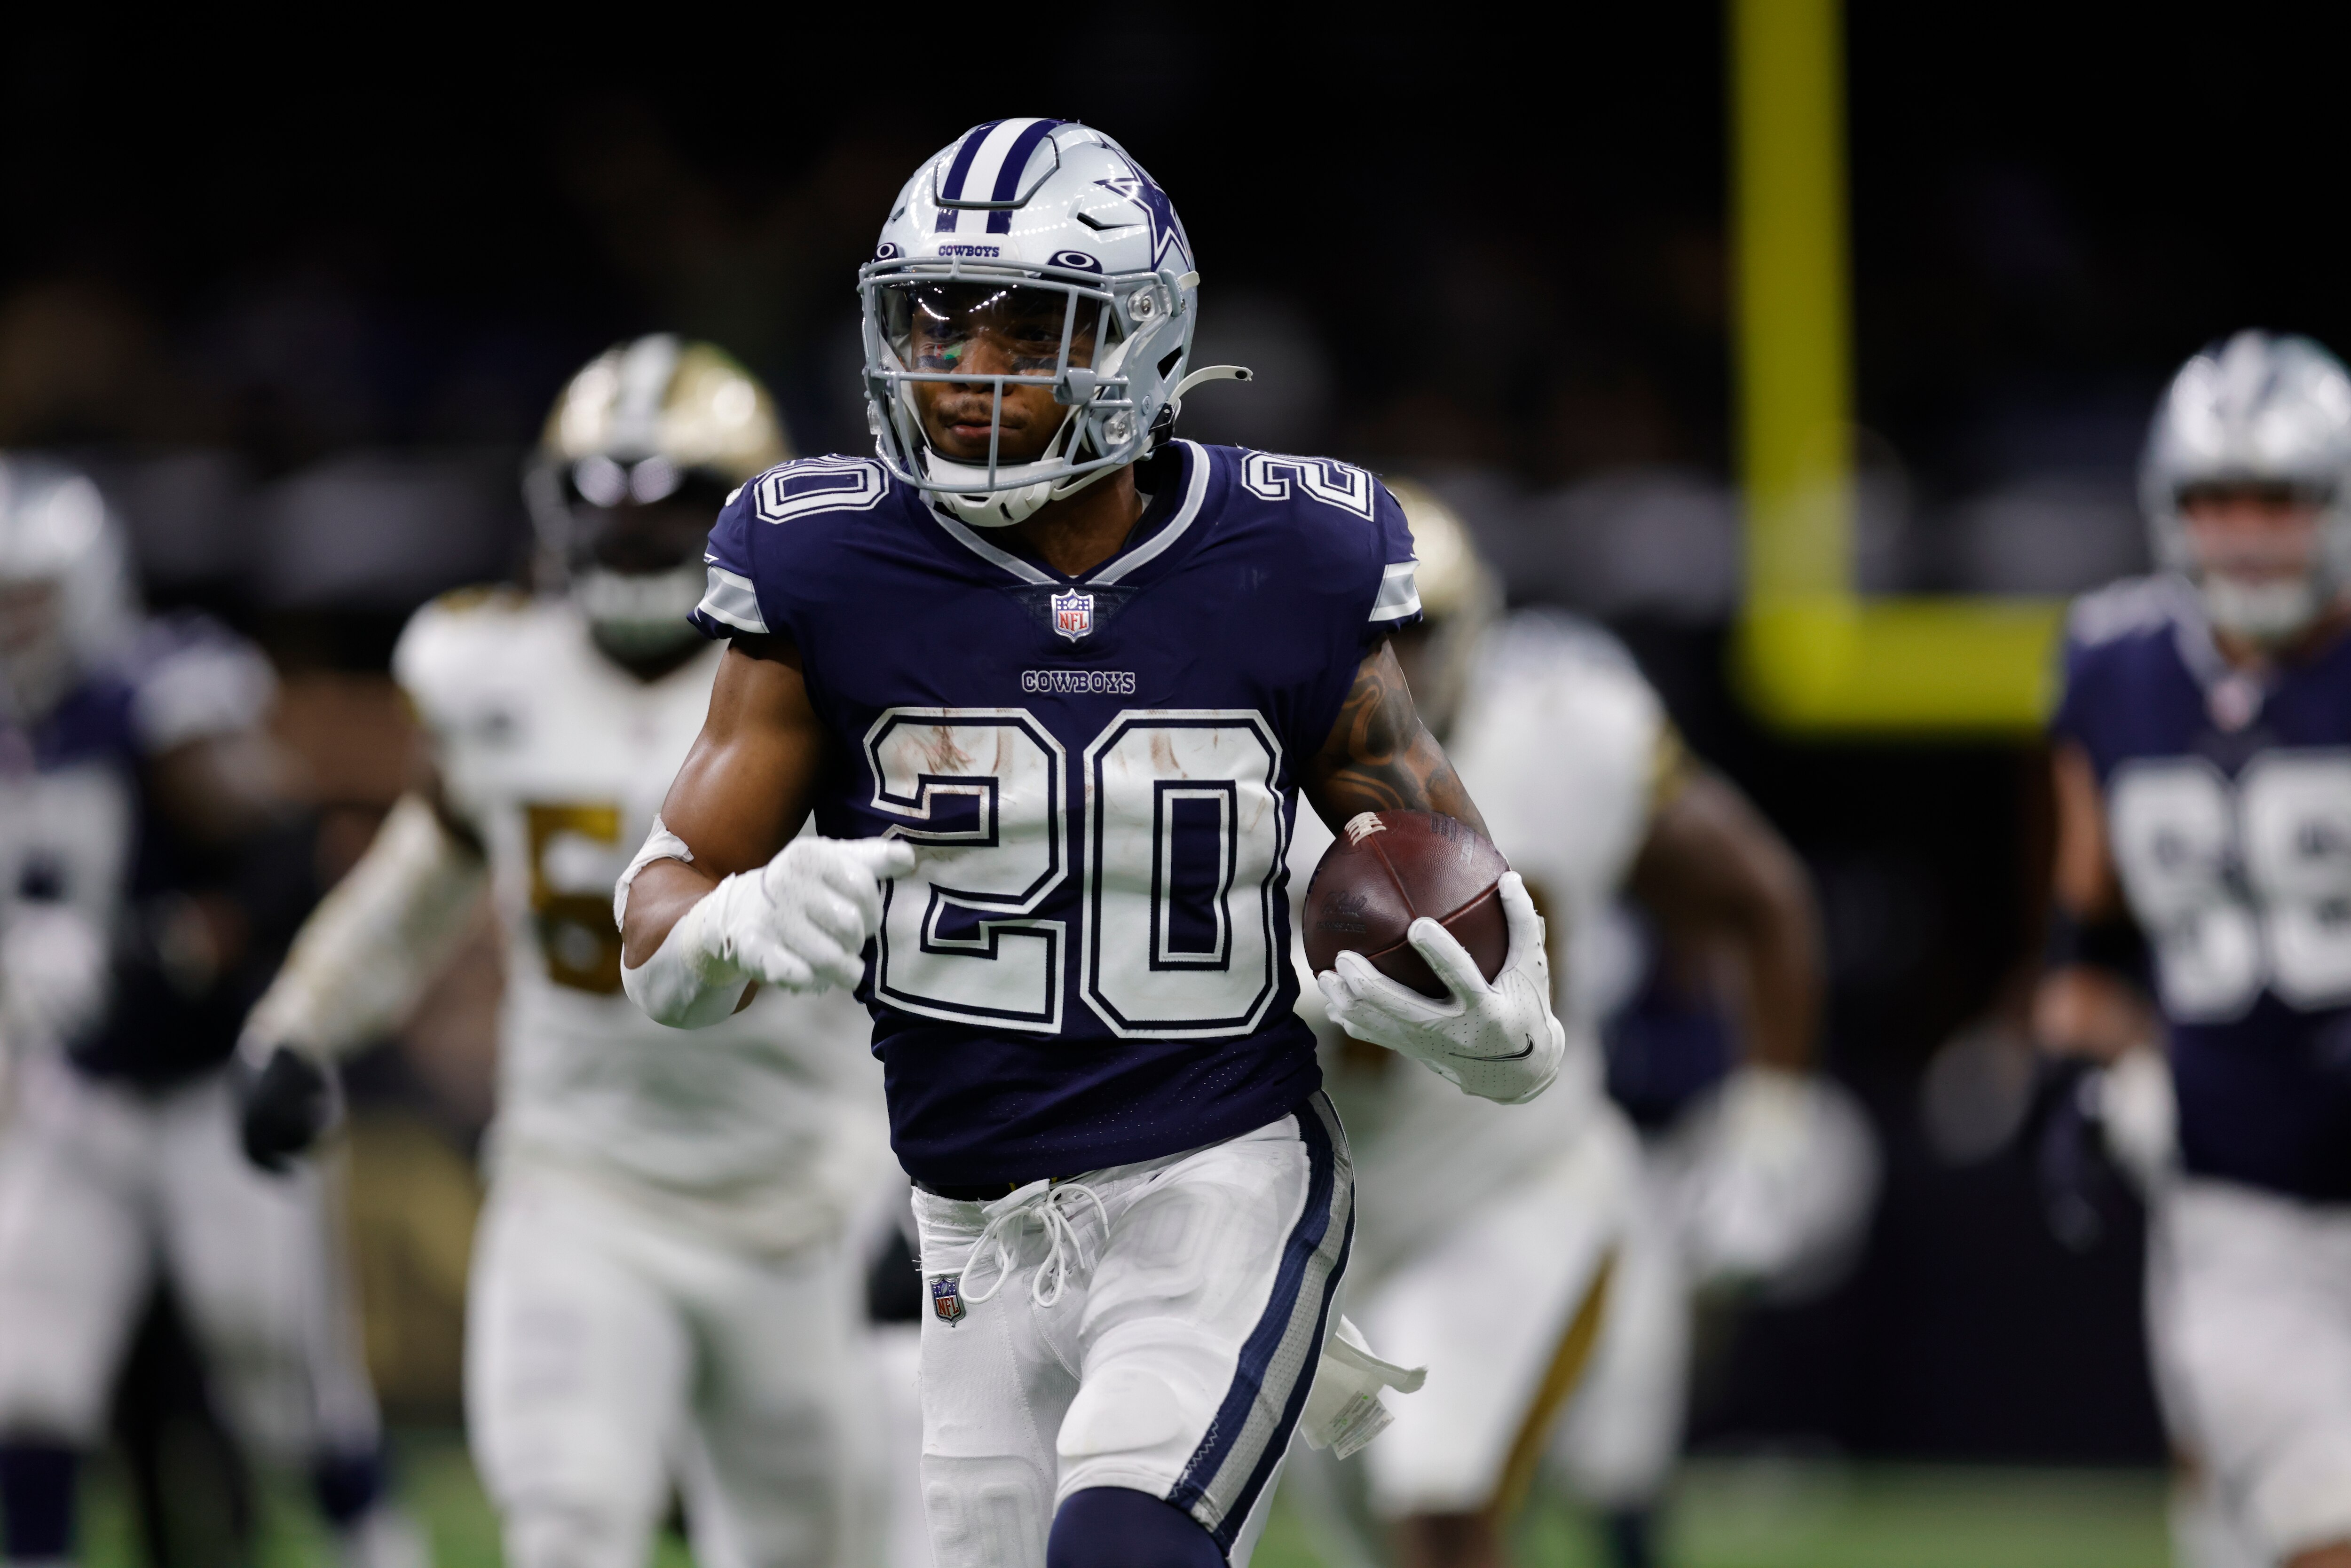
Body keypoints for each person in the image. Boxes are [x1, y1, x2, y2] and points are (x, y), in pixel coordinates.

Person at [615, 118, 1569, 1568]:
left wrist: (1505, 1018)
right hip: (970, 1229)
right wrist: (736, 926)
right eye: (935, 320)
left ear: (1138, 340)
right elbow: (653, 932)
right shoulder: (827, 565)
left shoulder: (1287, 558)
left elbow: (1436, 848)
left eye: (1022, 325)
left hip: (1222, 1179)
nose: (963, 370)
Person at [236, 338, 895, 1568]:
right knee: (569, 1521)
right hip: (582, 1179)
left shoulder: (830, 683)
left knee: (812, 1549)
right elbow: (419, 882)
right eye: (604, 498)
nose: (634, 535)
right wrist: (300, 1024)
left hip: (808, 1193)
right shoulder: (489, 672)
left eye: (674, 505)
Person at [1280, 487, 1868, 1568]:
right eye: (1365, 637)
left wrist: (1768, 1128)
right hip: (1327, 1217)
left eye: (1419, 631)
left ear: (1482, 626)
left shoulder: (1567, 733)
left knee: (1445, 1499)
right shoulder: (1227, 762)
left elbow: (1761, 899)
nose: (1393, 670)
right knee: (1362, 1537)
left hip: (1516, 1182)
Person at [0, 456, 423, 1568]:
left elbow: (286, 854)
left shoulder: (160, 691)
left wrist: (163, 945)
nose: (13, 623)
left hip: (212, 1092)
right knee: (30, 1376)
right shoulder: (18, 728)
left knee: (280, 1380)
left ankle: (377, 1545)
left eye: (28, 595)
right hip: (77, 1096)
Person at [2035, 330, 2351, 1568]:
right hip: (2237, 1201)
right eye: (2213, 501)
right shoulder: (2116, 665)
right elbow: (2090, 917)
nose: (2244, 535)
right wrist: (2067, 1066)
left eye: (2276, 499)